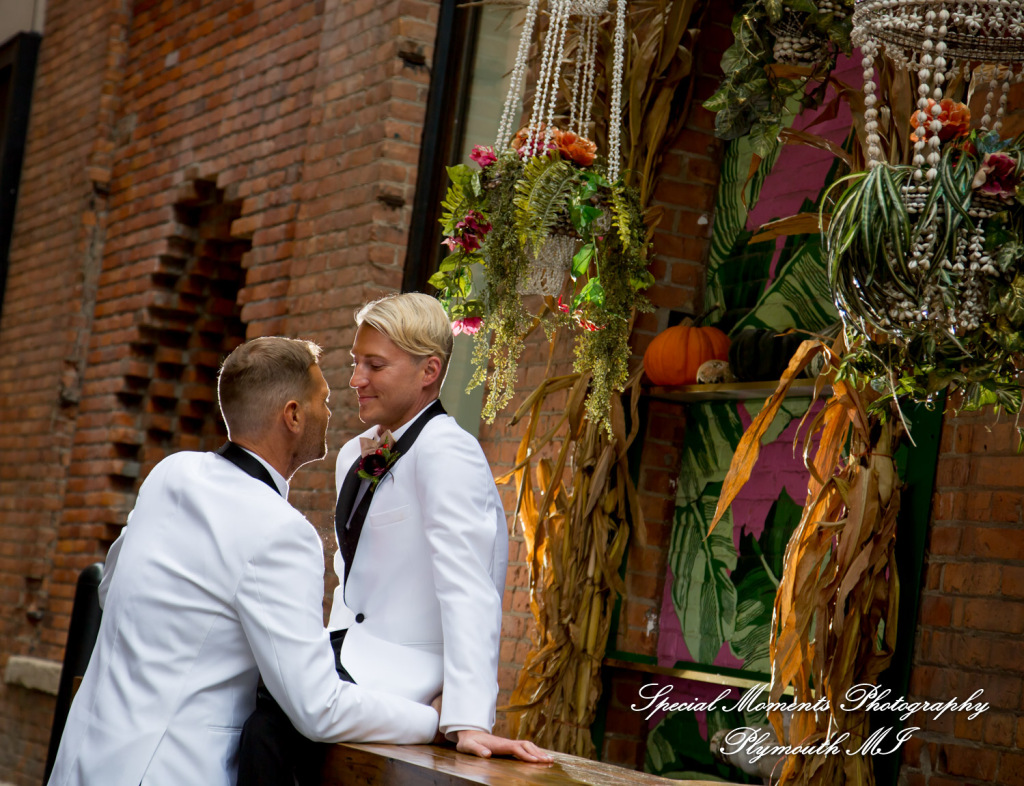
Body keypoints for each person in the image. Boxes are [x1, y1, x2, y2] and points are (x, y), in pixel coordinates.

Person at [46, 337, 440, 786]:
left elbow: (110, 588)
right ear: (292, 415)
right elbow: (318, 707)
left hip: (81, 760)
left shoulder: (170, 473)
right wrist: (431, 721)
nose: (330, 413)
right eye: (323, 401)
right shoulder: (282, 531)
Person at [238, 294, 550, 783]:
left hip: (405, 676)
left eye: (375, 365)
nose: (356, 379)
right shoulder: (354, 455)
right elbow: (352, 579)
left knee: (267, 732)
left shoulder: (447, 450)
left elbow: (469, 586)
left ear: (429, 371)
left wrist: (467, 718)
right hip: (341, 658)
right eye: (355, 363)